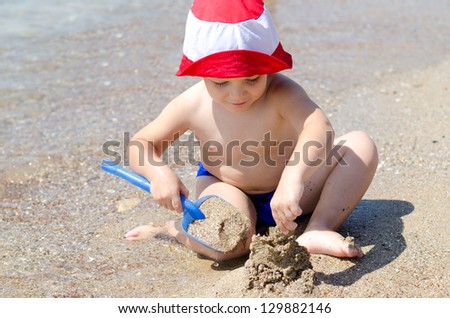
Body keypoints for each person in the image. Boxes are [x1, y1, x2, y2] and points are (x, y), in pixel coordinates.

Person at [124, 0, 378, 261]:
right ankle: (173, 230)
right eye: (221, 82)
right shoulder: (192, 103)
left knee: (361, 145)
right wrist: (157, 173)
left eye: (252, 78)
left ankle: (319, 227)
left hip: (292, 193)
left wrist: (294, 178)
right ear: (200, 72)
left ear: (268, 67)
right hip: (226, 186)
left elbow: (319, 127)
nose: (237, 93)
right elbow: (140, 144)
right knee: (226, 245)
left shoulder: (281, 92)